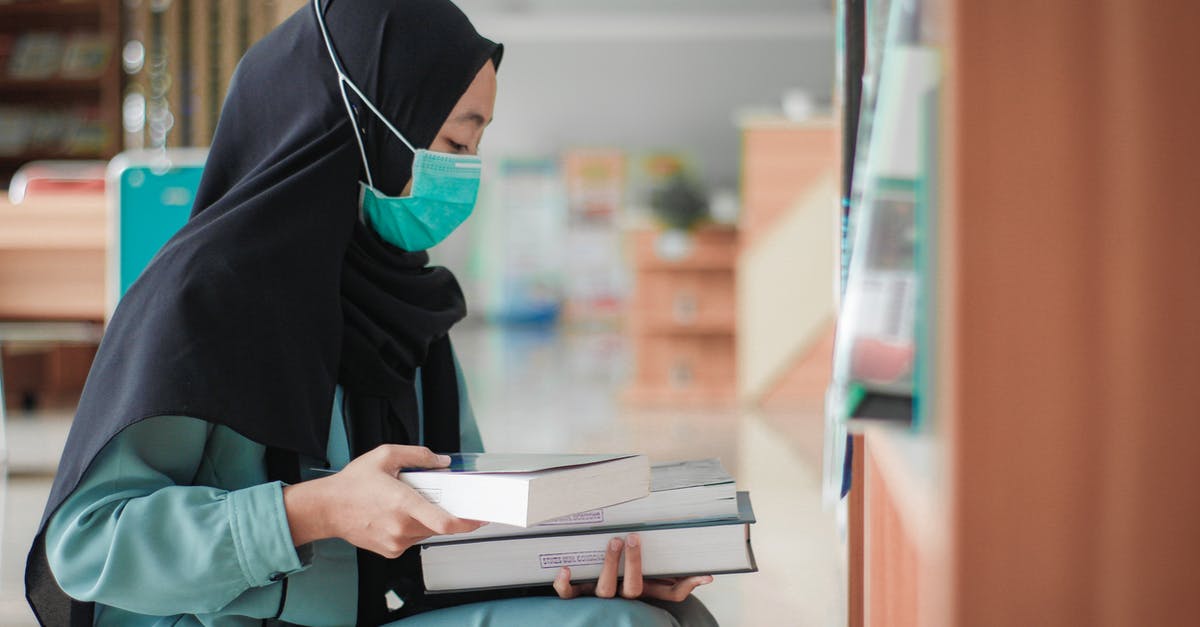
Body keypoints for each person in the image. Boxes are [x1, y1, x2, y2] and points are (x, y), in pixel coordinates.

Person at [24, 1, 719, 626]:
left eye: (475, 146)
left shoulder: (409, 303)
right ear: (360, 130)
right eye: (451, 143)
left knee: (663, 617)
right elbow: (86, 543)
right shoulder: (204, 300)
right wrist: (314, 510)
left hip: (377, 612)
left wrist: (582, 567)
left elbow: (461, 517)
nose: (467, 170)